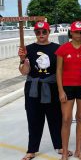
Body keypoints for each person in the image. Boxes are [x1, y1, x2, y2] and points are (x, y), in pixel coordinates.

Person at [18, 21, 67, 160]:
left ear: (48, 32)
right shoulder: (28, 49)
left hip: (51, 87)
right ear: (35, 33)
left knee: (55, 118)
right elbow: (24, 72)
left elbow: (61, 71)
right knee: (34, 119)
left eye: (44, 31)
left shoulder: (57, 48)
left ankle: (60, 146)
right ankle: (31, 150)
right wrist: (23, 61)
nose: (41, 34)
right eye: (38, 32)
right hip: (33, 89)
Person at [56, 21, 81, 160]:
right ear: (71, 32)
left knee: (80, 117)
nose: (78, 35)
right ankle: (65, 151)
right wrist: (61, 91)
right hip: (67, 87)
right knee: (66, 119)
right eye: (76, 32)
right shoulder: (63, 48)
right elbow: (59, 70)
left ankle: (79, 150)